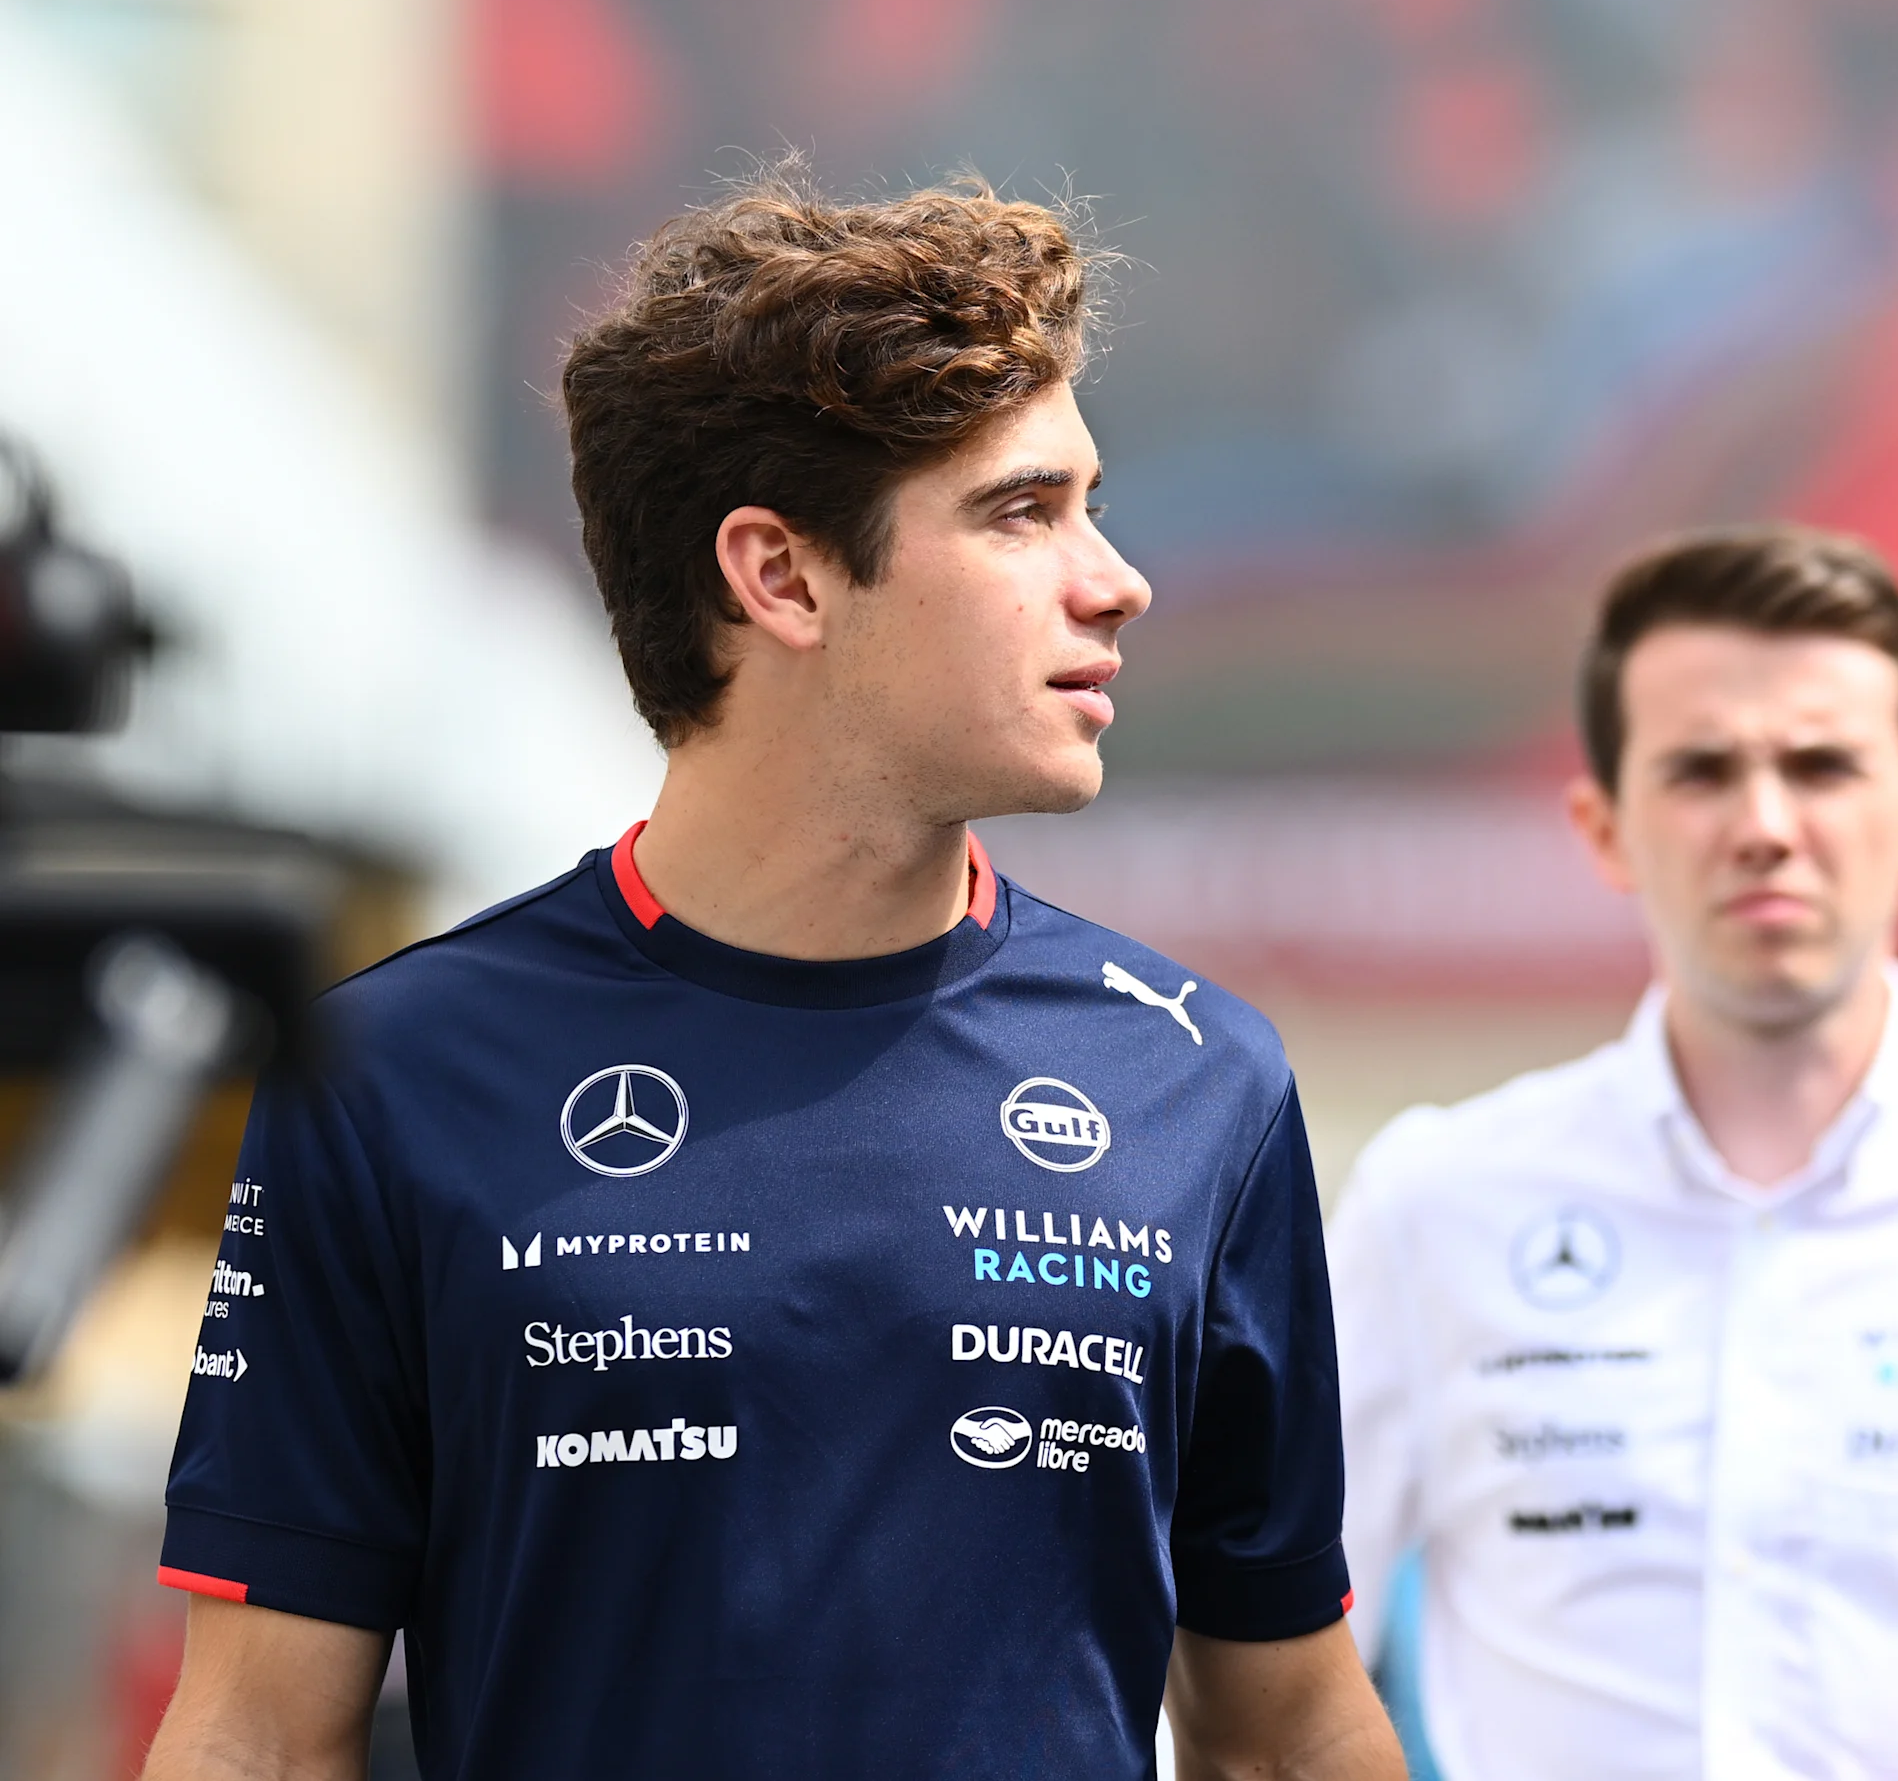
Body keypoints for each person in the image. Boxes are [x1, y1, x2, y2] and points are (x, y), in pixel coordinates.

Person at [141, 176, 1402, 1781]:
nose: (1114, 580)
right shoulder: (389, 1073)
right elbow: (258, 1741)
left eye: (1089, 504)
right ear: (783, 577)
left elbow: (1285, 1739)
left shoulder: (1200, 1081)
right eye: (1022, 513)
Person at [1327, 529, 1898, 1779]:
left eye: (1821, 765)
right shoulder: (1432, 1203)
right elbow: (1263, 1661)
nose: (1763, 825)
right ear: (1603, 825)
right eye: (1701, 771)